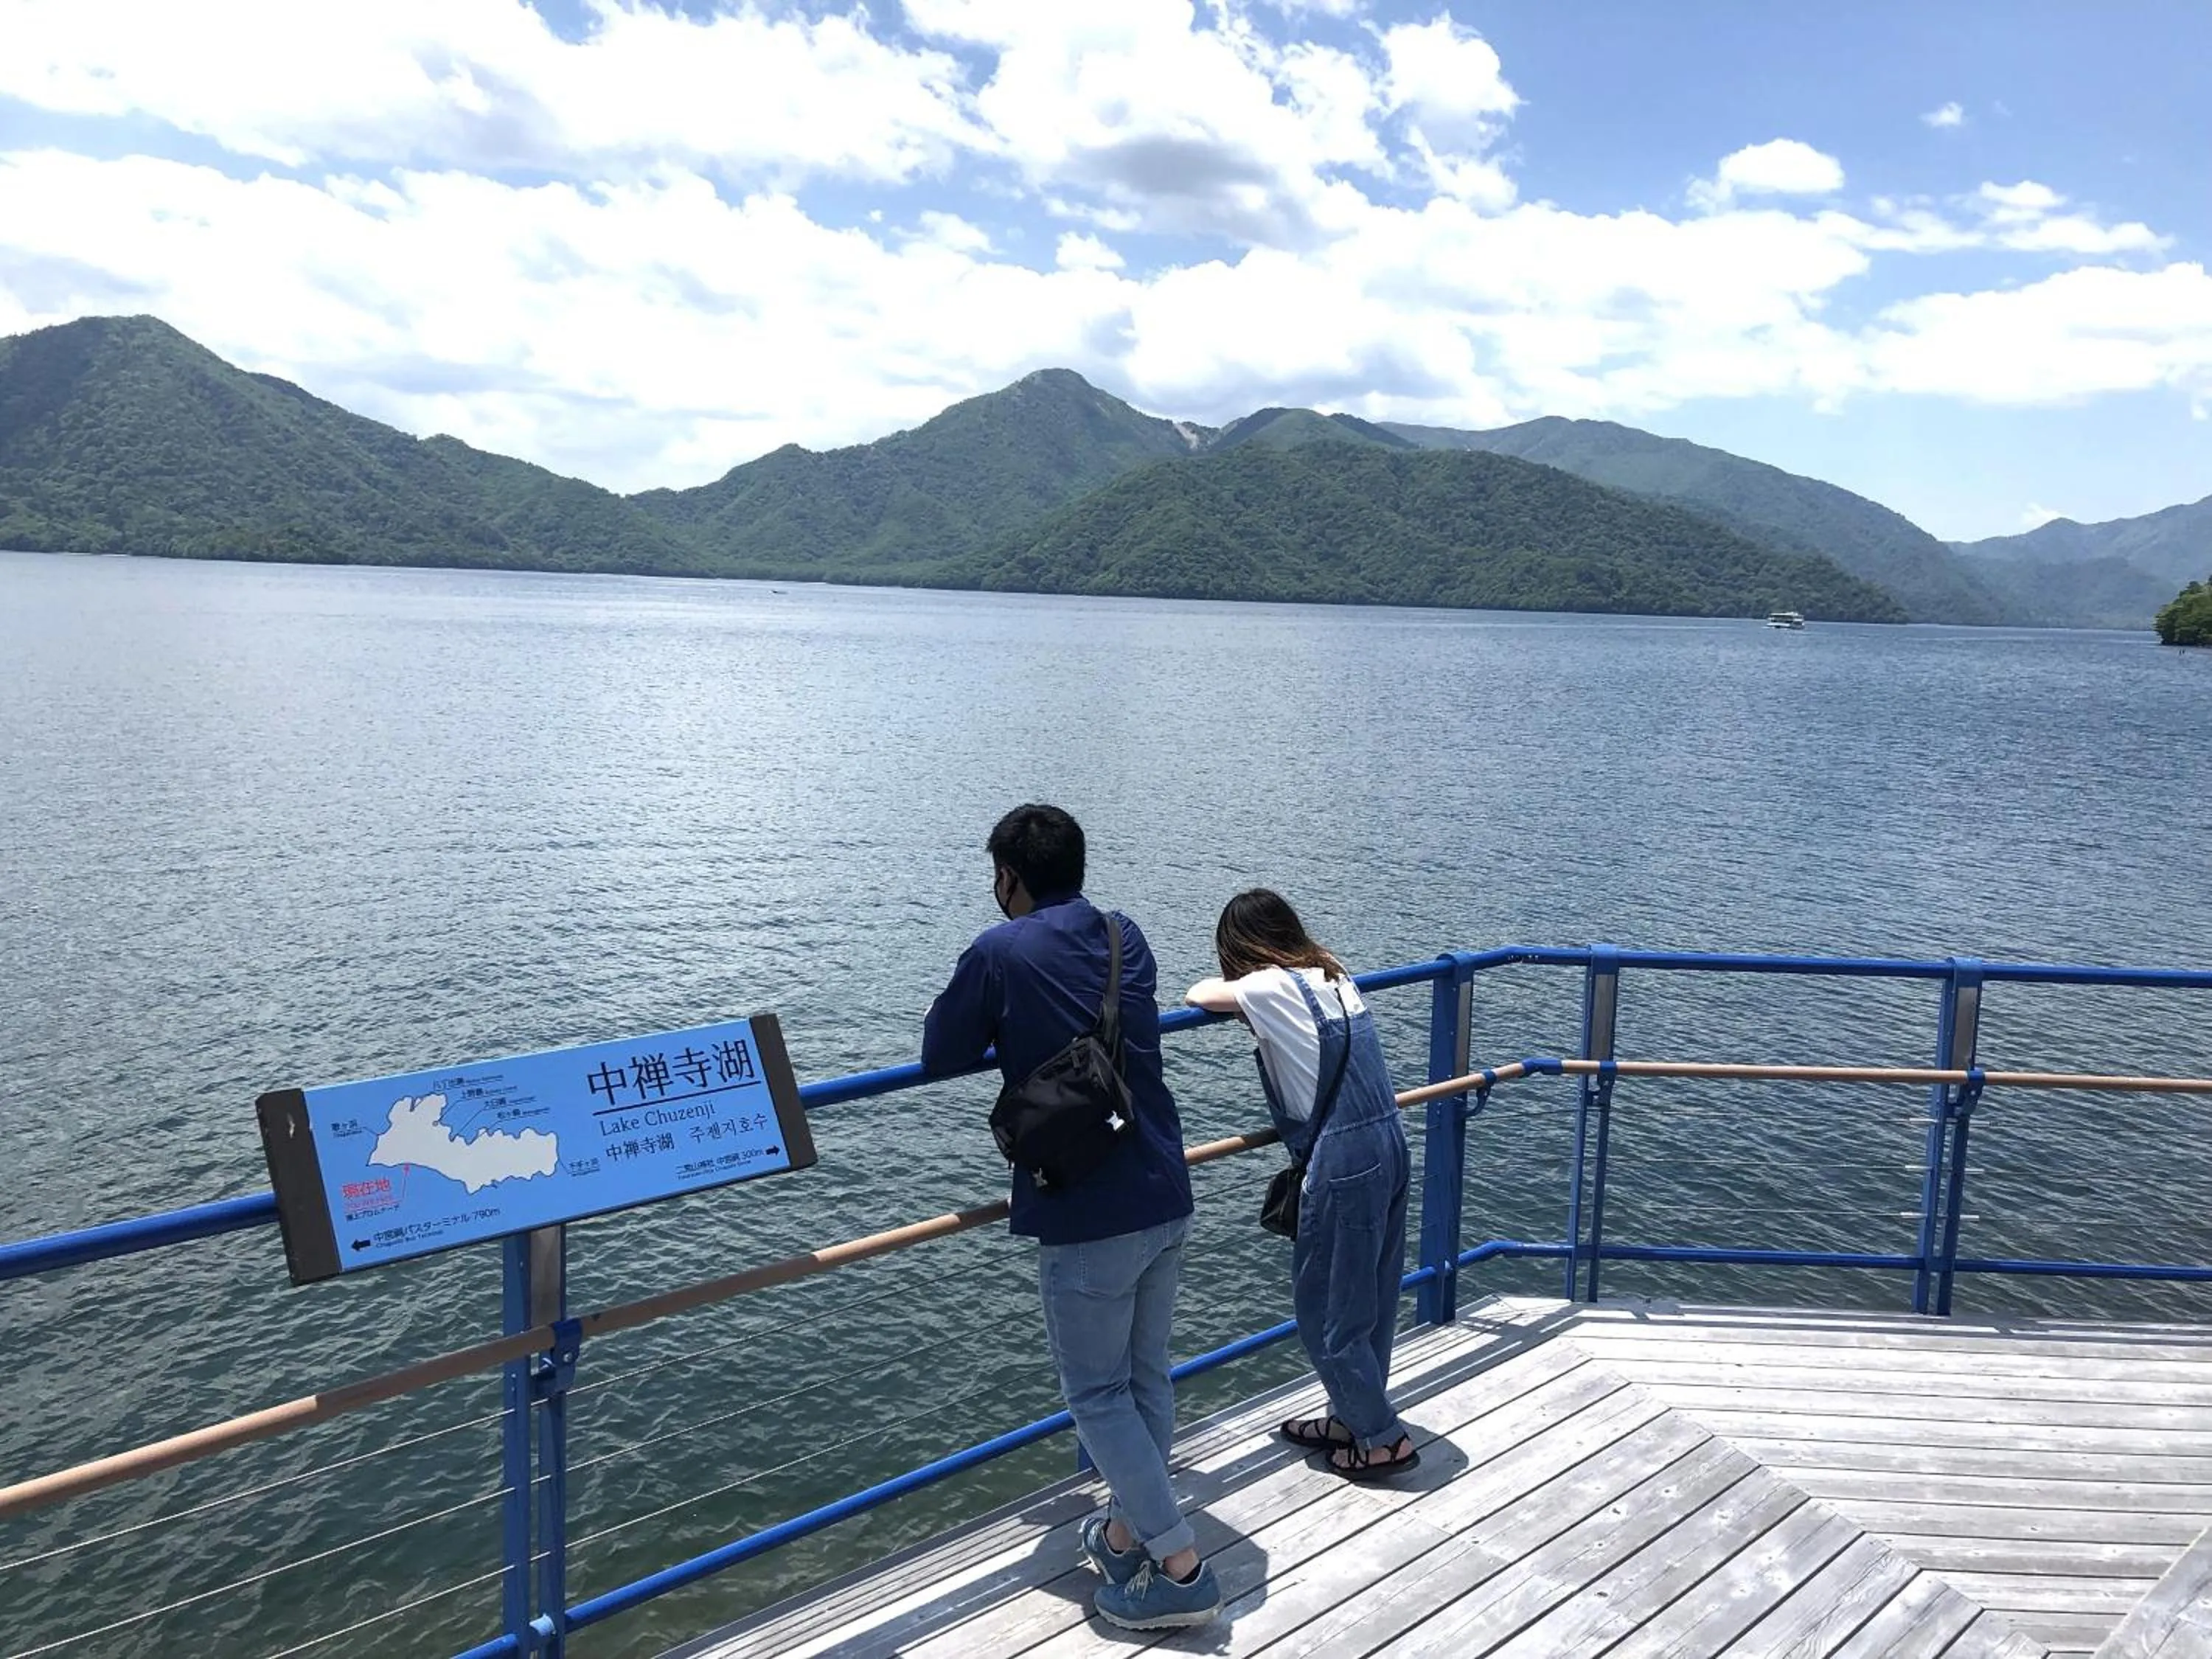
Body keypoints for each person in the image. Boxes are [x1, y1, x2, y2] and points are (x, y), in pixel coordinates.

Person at [922, 804, 1220, 1630]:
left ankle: (1180, 1568)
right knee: (1146, 1377)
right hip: (1165, 1182)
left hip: (1088, 1206)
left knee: (1096, 1394)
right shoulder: (1128, 936)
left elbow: (939, 1053)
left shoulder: (998, 950)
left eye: (997, 876)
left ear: (1008, 877)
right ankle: (1125, 1533)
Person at [1185, 888, 1419, 1479]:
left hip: (1344, 1160)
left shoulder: (1267, 987)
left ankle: (1382, 1439)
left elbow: (1199, 996)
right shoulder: (1334, 978)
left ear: (1239, 949)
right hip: (1390, 1141)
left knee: (1326, 1312)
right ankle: (1352, 1415)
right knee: (1374, 1299)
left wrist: (1237, 989)